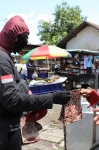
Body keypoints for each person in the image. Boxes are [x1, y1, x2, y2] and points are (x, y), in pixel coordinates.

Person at [0, 15, 71, 150]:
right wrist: (52, 98)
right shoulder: (2, 60)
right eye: (24, 38)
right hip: (5, 131)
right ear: (14, 37)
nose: (26, 41)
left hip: (9, 126)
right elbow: (11, 99)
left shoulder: (6, 56)